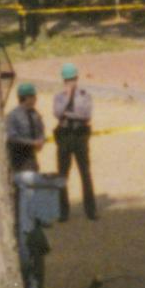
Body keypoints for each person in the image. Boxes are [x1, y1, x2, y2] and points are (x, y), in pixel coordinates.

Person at [51, 63, 97, 220]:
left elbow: (86, 115)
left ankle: (91, 210)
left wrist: (68, 114)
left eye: (72, 79)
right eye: (67, 80)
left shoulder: (85, 95)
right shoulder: (59, 97)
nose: (70, 83)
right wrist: (68, 100)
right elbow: (57, 113)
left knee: (85, 173)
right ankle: (63, 211)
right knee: (62, 174)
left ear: (77, 79)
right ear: (63, 81)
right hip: (64, 135)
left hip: (80, 135)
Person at [6, 81, 47, 178]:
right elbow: (12, 137)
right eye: (33, 96)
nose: (35, 99)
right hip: (16, 159)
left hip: (31, 159)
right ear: (26, 98)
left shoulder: (35, 115)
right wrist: (32, 143)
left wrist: (41, 140)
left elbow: (41, 130)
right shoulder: (13, 116)